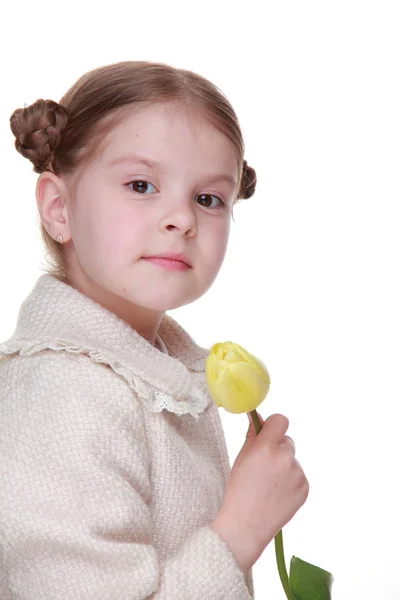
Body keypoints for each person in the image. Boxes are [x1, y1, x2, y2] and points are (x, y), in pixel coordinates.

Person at [0, 61, 309, 599]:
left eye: (208, 198)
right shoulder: (61, 395)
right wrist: (239, 531)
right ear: (58, 209)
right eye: (141, 185)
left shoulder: (157, 374)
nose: (182, 219)